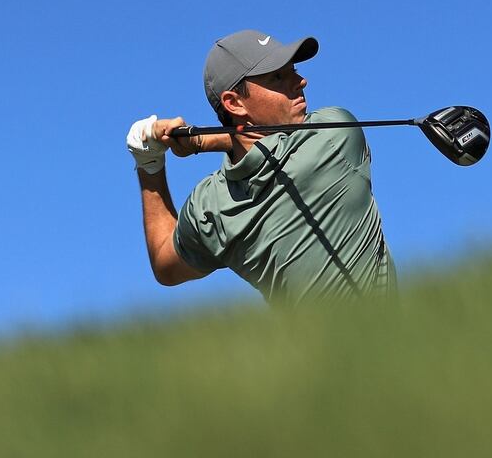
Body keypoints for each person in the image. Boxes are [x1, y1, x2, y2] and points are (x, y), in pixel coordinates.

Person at [127, 29, 396, 307]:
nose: (301, 81)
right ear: (234, 102)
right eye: (277, 77)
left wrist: (150, 163)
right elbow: (165, 263)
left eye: (293, 70)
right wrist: (201, 142)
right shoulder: (335, 135)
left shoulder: (211, 206)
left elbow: (164, 264)